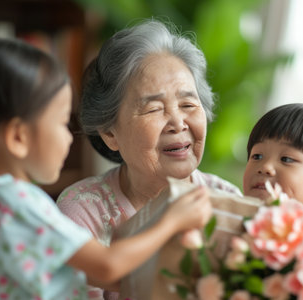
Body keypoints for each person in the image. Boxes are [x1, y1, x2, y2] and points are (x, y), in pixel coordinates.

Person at [0, 38, 213, 300]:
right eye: (62, 123)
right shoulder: (19, 203)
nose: (69, 137)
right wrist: (171, 221)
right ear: (18, 137)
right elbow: (108, 268)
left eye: (188, 104)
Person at [56, 19, 242, 299]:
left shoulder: (228, 200)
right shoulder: (83, 213)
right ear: (110, 133)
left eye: (189, 104)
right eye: (154, 109)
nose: (178, 123)